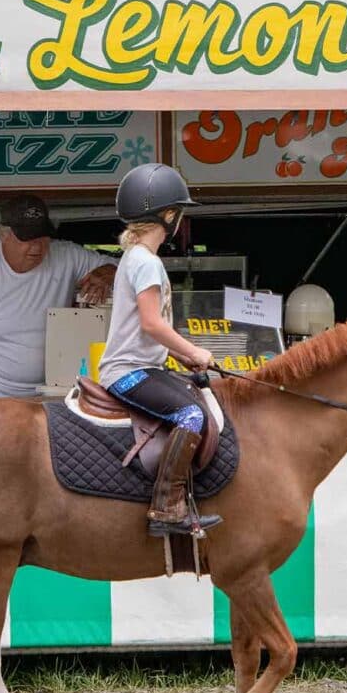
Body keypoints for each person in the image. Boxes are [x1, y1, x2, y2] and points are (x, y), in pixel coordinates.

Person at [98, 162, 222, 539]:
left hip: (143, 366)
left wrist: (178, 356)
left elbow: (147, 329)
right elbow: (152, 323)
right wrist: (194, 350)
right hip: (129, 372)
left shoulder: (134, 258)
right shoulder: (147, 263)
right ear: (169, 215)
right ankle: (168, 507)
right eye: (179, 213)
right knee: (190, 415)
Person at [0, 195, 116, 397]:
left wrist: (109, 271)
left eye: (43, 237)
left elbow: (129, 269)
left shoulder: (66, 255)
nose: (37, 246)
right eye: (27, 238)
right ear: (3, 235)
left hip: (54, 391)